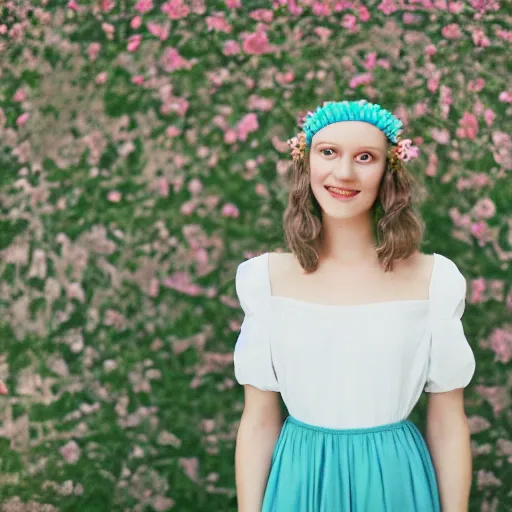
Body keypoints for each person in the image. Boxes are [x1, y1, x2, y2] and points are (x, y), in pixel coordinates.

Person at [233, 100, 476, 512]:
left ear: (388, 171)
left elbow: (448, 422)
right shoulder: (263, 281)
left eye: (365, 157)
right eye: (328, 152)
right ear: (306, 162)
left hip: (394, 480)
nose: (344, 173)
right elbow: (258, 421)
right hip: (300, 481)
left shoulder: (436, 281)